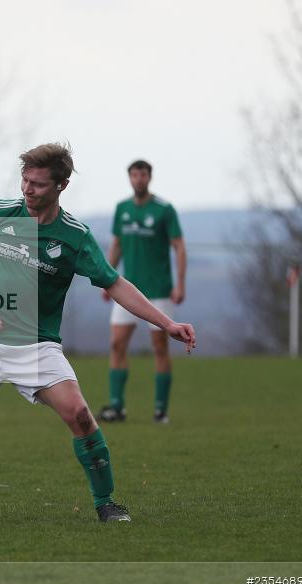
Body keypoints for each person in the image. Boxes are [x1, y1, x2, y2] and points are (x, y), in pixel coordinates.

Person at [0, 143, 196, 523]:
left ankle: (106, 503)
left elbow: (114, 284)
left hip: (35, 347)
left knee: (80, 414)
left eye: (39, 184)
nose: (28, 190)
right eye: (25, 181)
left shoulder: (74, 236)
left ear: (61, 185)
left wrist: (167, 323)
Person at [98, 160, 186, 424]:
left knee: (160, 347)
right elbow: (117, 245)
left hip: (158, 290)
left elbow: (179, 246)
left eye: (143, 175)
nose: (138, 179)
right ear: (129, 178)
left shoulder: (164, 210)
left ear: (150, 177)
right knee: (116, 344)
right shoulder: (122, 209)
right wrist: (106, 277)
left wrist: (180, 283)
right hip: (127, 291)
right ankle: (117, 407)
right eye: (134, 175)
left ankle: (160, 410)